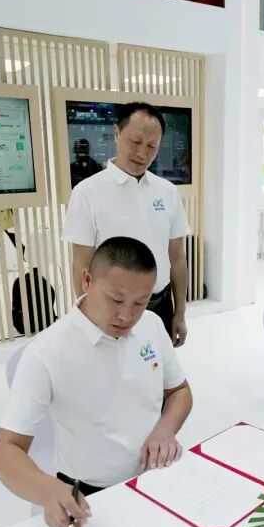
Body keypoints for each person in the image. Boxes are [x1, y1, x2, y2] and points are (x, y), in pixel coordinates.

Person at [0, 236, 193, 527]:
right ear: (87, 280)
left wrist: (166, 429)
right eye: (115, 300)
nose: (126, 316)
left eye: (140, 302)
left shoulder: (150, 324)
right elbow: (5, 451)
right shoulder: (47, 352)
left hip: (154, 478)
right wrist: (47, 490)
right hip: (89, 497)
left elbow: (179, 391)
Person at [64, 102, 191, 346]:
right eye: (135, 142)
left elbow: (177, 258)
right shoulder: (87, 192)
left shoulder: (167, 191)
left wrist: (180, 312)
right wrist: (89, 320)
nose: (142, 153)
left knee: (158, 367)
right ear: (117, 132)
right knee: (115, 368)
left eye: (152, 146)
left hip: (160, 305)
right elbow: (81, 263)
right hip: (112, 309)